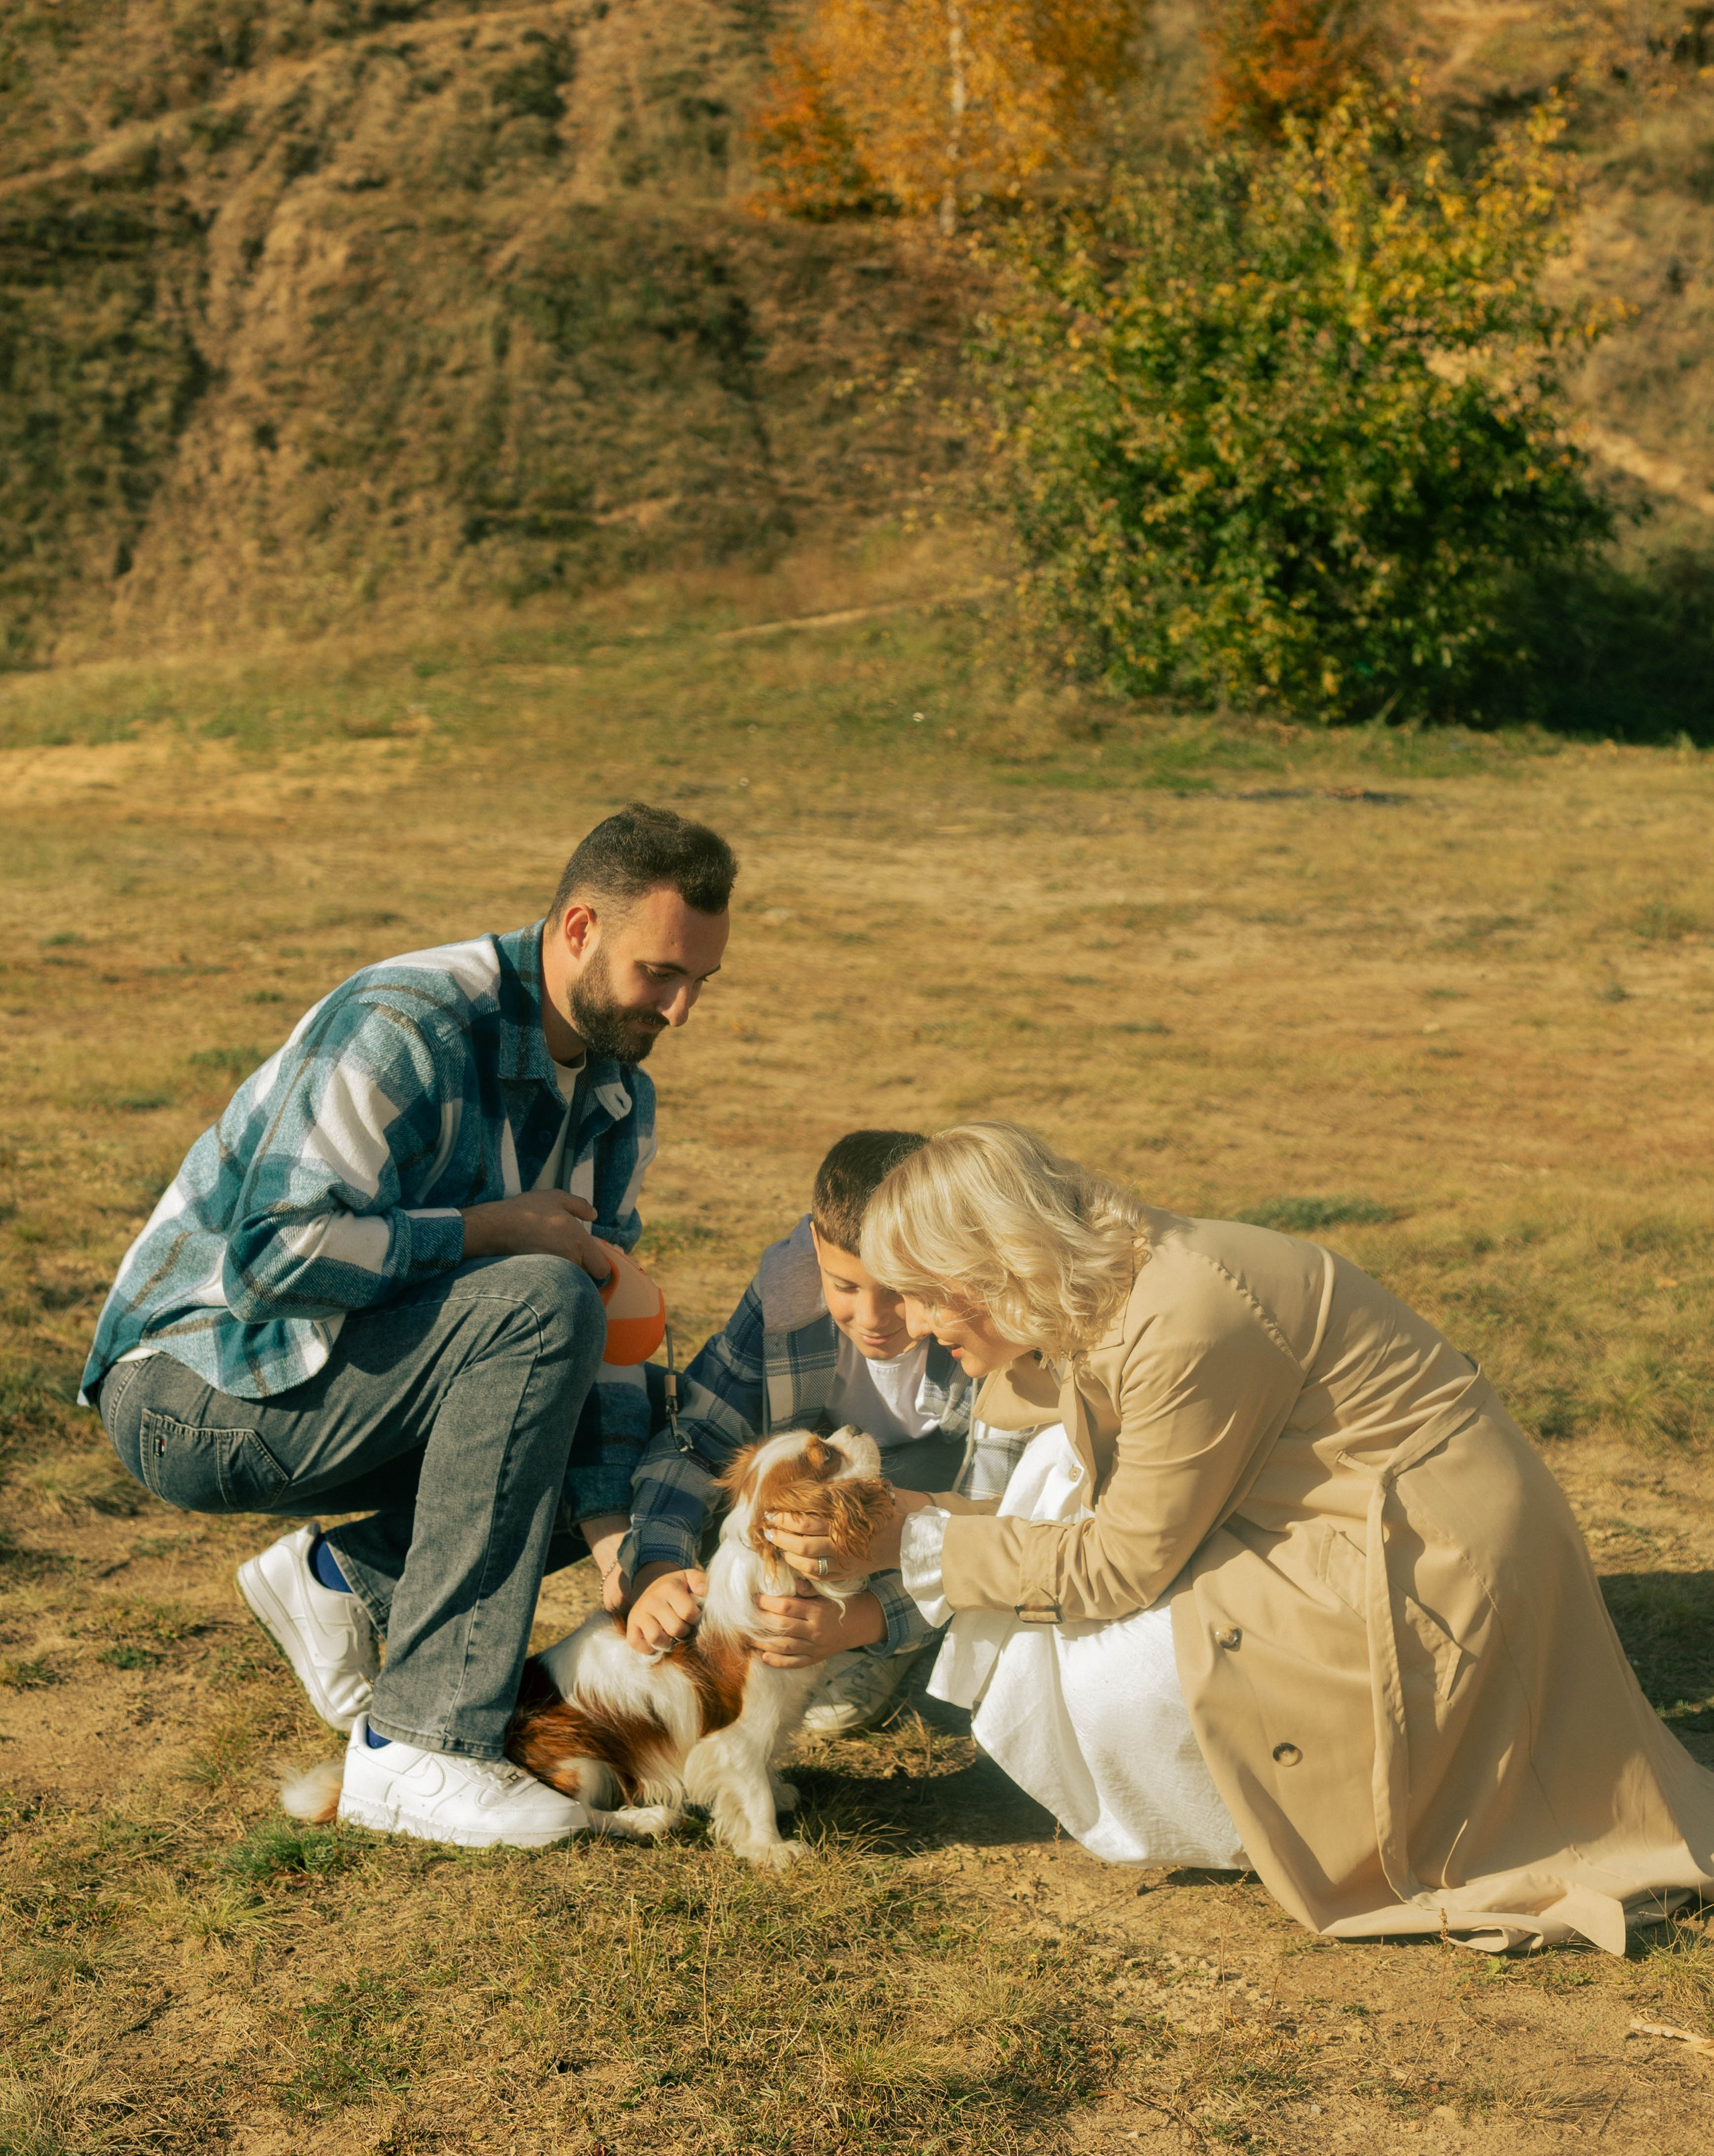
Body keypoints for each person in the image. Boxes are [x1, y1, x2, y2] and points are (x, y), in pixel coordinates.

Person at [761, 1121, 1714, 1954]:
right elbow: (1093, 1515)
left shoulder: (1184, 1316)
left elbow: (1118, 1564)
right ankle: (1268, 1806)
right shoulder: (1117, 1285)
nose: (915, 1325)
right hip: (1356, 1528)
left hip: (1423, 1565)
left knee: (1106, 1668)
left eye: (927, 1294)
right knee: (1051, 1493)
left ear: (998, 1264)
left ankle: (1296, 1818)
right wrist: (912, 1527)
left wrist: (914, 1547)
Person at [81, 803, 735, 1850]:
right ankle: (422, 1748)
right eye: (660, 973)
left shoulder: (620, 1100)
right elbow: (270, 1257)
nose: (682, 1008)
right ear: (579, 929)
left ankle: (342, 1585)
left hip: (350, 1385)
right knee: (540, 1302)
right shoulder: (409, 1021)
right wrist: (488, 1230)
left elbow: (608, 1334)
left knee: (658, 1437)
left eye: (700, 980)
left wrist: (622, 1542)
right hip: (194, 1388)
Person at [619, 1129, 1026, 1732]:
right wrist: (657, 1564)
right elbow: (701, 1437)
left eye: (900, 1290)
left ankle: (891, 1641)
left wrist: (867, 1618)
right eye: (846, 1286)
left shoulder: (989, 1323)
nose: (873, 1319)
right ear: (815, 1246)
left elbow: (1008, 1517)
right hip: (817, 1490)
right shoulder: (786, 1290)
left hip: (932, 1503)